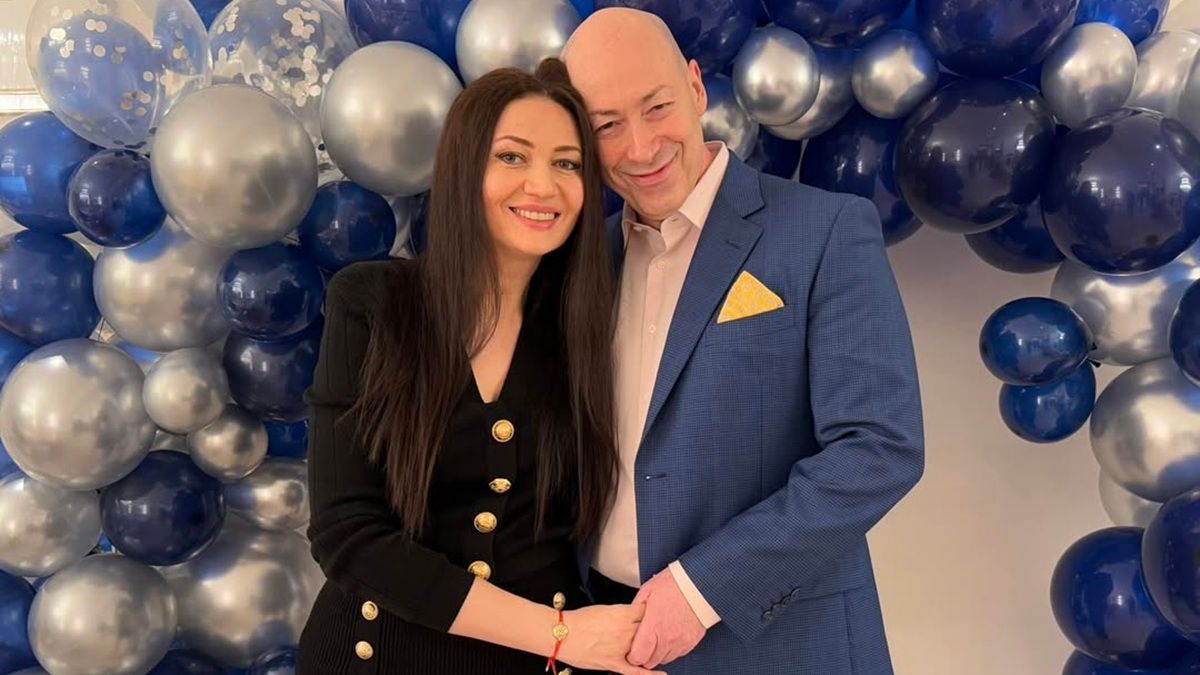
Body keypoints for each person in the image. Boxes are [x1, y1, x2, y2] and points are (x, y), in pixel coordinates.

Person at [561, 9, 925, 674]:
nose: (640, 147)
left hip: (782, 649)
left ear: (696, 87)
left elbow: (879, 448)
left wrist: (701, 590)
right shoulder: (584, 262)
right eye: (606, 125)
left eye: (656, 107)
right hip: (608, 645)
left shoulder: (827, 230)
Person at [297, 59, 663, 675]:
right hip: (374, 660)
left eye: (567, 164)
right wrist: (559, 635)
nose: (543, 186)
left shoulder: (591, 331)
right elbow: (345, 532)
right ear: (465, 168)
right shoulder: (374, 302)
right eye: (512, 157)